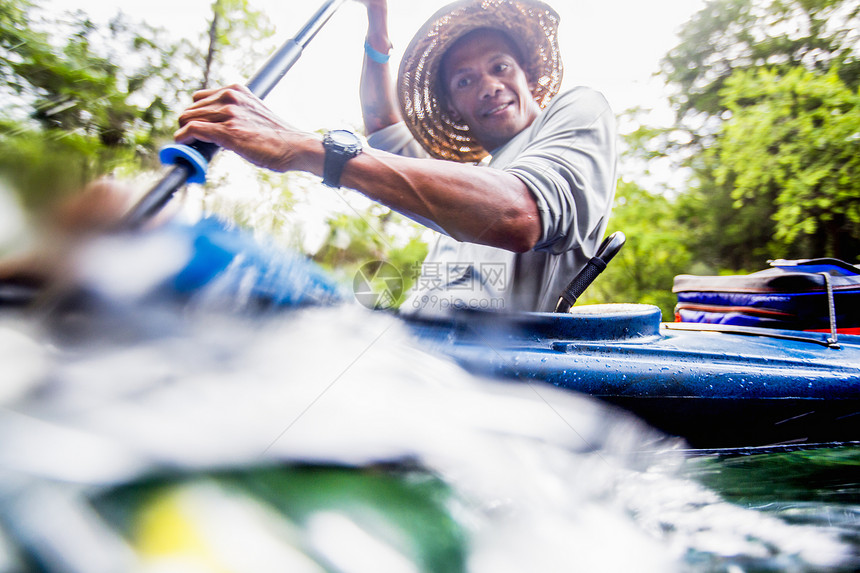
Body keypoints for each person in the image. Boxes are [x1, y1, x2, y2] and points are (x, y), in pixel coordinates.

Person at [174, 0, 617, 315]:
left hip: (476, 369)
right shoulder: (467, 176)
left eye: (500, 66)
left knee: (202, 255)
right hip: (410, 343)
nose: (488, 85)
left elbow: (520, 213)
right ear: (455, 109)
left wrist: (302, 146)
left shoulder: (579, 109)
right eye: (464, 81)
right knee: (202, 256)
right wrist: (377, 19)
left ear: (527, 75)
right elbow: (381, 124)